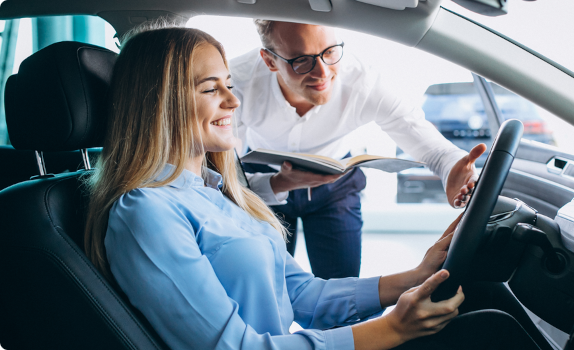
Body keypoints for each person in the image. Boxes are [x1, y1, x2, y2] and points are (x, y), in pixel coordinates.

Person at [82, 27, 537, 350]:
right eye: (209, 89)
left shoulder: (217, 193)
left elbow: (305, 297)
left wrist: (415, 277)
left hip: (333, 192)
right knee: (490, 332)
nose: (233, 100)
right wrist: (392, 329)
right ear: (160, 102)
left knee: (486, 301)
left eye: (229, 85)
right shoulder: (146, 211)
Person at [231, 20, 485, 279]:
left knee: (341, 284)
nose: (322, 72)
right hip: (259, 182)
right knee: (265, 285)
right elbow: (216, 173)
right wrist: (275, 183)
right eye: (302, 60)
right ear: (270, 61)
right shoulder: (236, 83)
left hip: (336, 185)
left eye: (329, 51)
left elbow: (432, 149)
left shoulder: (364, 82)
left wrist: (453, 167)